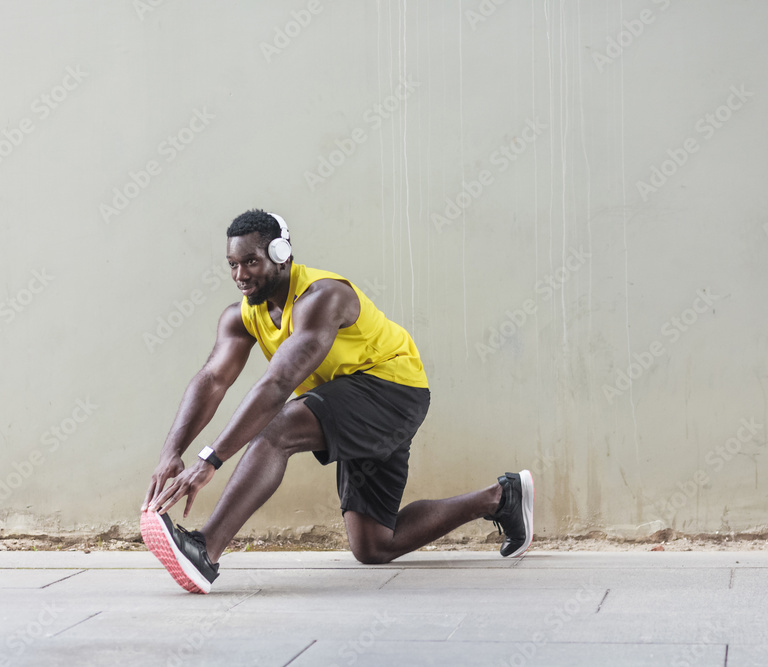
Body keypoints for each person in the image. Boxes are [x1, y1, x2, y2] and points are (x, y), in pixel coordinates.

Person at [140, 209, 533, 593]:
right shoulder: (242, 316)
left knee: (276, 429)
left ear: (281, 254)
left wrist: (210, 460)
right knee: (374, 545)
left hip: (393, 390)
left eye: (251, 262)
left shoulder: (323, 296)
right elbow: (212, 379)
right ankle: (500, 497)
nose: (240, 275)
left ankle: (204, 550)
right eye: (232, 264)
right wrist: (172, 452)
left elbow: (279, 384)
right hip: (348, 402)